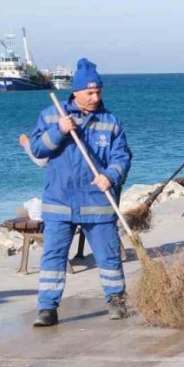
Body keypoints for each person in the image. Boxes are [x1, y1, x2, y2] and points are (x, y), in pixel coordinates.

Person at [28, 58, 131, 327]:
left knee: (108, 256)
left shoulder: (110, 122)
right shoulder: (51, 115)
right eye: (90, 93)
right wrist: (59, 131)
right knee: (53, 257)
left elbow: (122, 157)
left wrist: (111, 176)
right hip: (59, 202)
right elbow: (38, 149)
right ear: (75, 92)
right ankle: (47, 308)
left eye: (98, 92)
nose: (95, 97)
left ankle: (116, 301)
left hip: (97, 203)